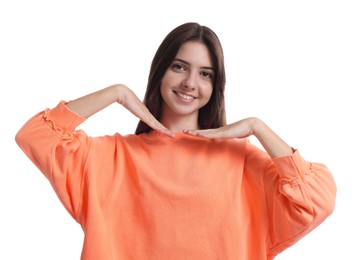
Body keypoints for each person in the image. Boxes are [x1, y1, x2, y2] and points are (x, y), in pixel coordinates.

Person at [15, 22, 336, 260]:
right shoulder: (108, 157)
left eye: (205, 74)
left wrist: (257, 127)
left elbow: (315, 202)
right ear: (161, 71)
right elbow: (35, 135)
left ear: (216, 85)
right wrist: (116, 93)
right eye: (179, 67)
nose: (189, 83)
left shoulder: (242, 161)